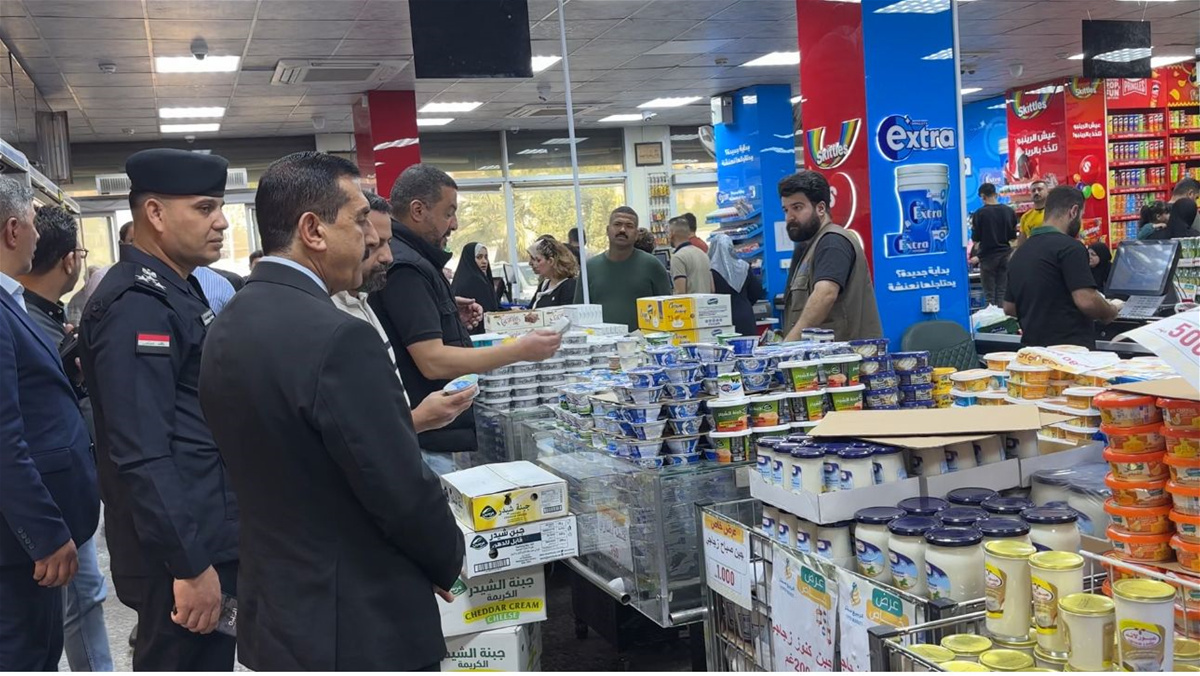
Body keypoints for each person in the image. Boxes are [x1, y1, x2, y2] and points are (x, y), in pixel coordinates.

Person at [199, 151, 464, 671]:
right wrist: (445, 557)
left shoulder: (227, 323)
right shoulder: (340, 337)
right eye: (360, 220)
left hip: (277, 608)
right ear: (313, 230)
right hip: (359, 618)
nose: (370, 238)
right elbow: (398, 487)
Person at [79, 149, 239, 671]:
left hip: (201, 531)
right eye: (204, 208)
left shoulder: (176, 289)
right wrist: (189, 565)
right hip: (178, 550)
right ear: (155, 213)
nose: (221, 222)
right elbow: (141, 451)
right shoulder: (138, 307)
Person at [371, 164, 561, 455]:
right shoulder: (407, 267)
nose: (455, 224)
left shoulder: (416, 260)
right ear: (418, 210)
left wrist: (444, 313)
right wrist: (520, 350)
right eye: (449, 213)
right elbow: (432, 361)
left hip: (440, 432)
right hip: (432, 438)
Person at [0, 176, 100, 672]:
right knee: (28, 656)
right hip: (21, 546)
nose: (40, 237)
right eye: (34, 225)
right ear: (12, 230)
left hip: (28, 541)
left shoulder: (12, 303)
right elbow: (4, 437)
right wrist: (43, 533)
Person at [332, 190, 475, 433]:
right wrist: (519, 351)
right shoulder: (330, 316)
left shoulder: (360, 300)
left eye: (388, 243)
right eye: (373, 244)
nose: (388, 257)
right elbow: (348, 429)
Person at [1004, 186, 1123, 349]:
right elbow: (1086, 300)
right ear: (1073, 211)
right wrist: (1110, 310)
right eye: (1081, 216)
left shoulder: (1018, 253)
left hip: (1033, 352)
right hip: (1070, 352)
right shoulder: (1071, 248)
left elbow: (1009, 307)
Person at [779, 171, 882, 342]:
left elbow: (825, 295)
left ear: (820, 208)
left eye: (797, 208)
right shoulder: (808, 247)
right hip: (822, 355)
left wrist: (789, 344)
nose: (790, 217)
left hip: (846, 355)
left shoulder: (832, 242)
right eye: (786, 210)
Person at [573, 206, 672, 331]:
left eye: (629, 226)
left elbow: (668, 310)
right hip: (601, 340)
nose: (622, 230)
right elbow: (578, 313)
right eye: (617, 224)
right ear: (608, 230)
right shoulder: (590, 268)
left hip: (643, 341)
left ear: (636, 234)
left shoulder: (652, 266)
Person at [970, 183, 1018, 307]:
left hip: (987, 257)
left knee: (989, 295)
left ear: (983, 196)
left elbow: (976, 239)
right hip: (1005, 256)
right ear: (995, 194)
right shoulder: (1009, 211)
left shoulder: (979, 214)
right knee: (1002, 292)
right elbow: (1013, 237)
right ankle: (1002, 317)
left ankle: (991, 318)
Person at [709, 233, 764, 337]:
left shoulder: (710, 270)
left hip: (722, 318)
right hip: (745, 315)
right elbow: (757, 291)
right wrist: (743, 302)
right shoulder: (744, 266)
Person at [450, 242, 500, 332]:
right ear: (470, 259)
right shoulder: (475, 281)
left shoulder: (460, 279)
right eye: (479, 257)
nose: (484, 261)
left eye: (486, 257)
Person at [528, 235, 578, 309]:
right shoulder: (544, 284)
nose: (531, 263)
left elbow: (566, 313)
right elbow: (530, 309)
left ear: (551, 261)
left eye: (538, 260)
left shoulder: (569, 286)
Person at [668, 217, 713, 294]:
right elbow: (712, 289)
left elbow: (680, 292)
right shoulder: (703, 254)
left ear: (672, 234)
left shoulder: (678, 257)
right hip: (706, 301)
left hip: (690, 301)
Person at [1016, 179, 1048, 246]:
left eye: (1039, 189)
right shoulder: (1025, 217)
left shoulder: (1055, 213)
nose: (1036, 192)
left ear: (1047, 191)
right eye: (1033, 191)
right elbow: (1021, 242)